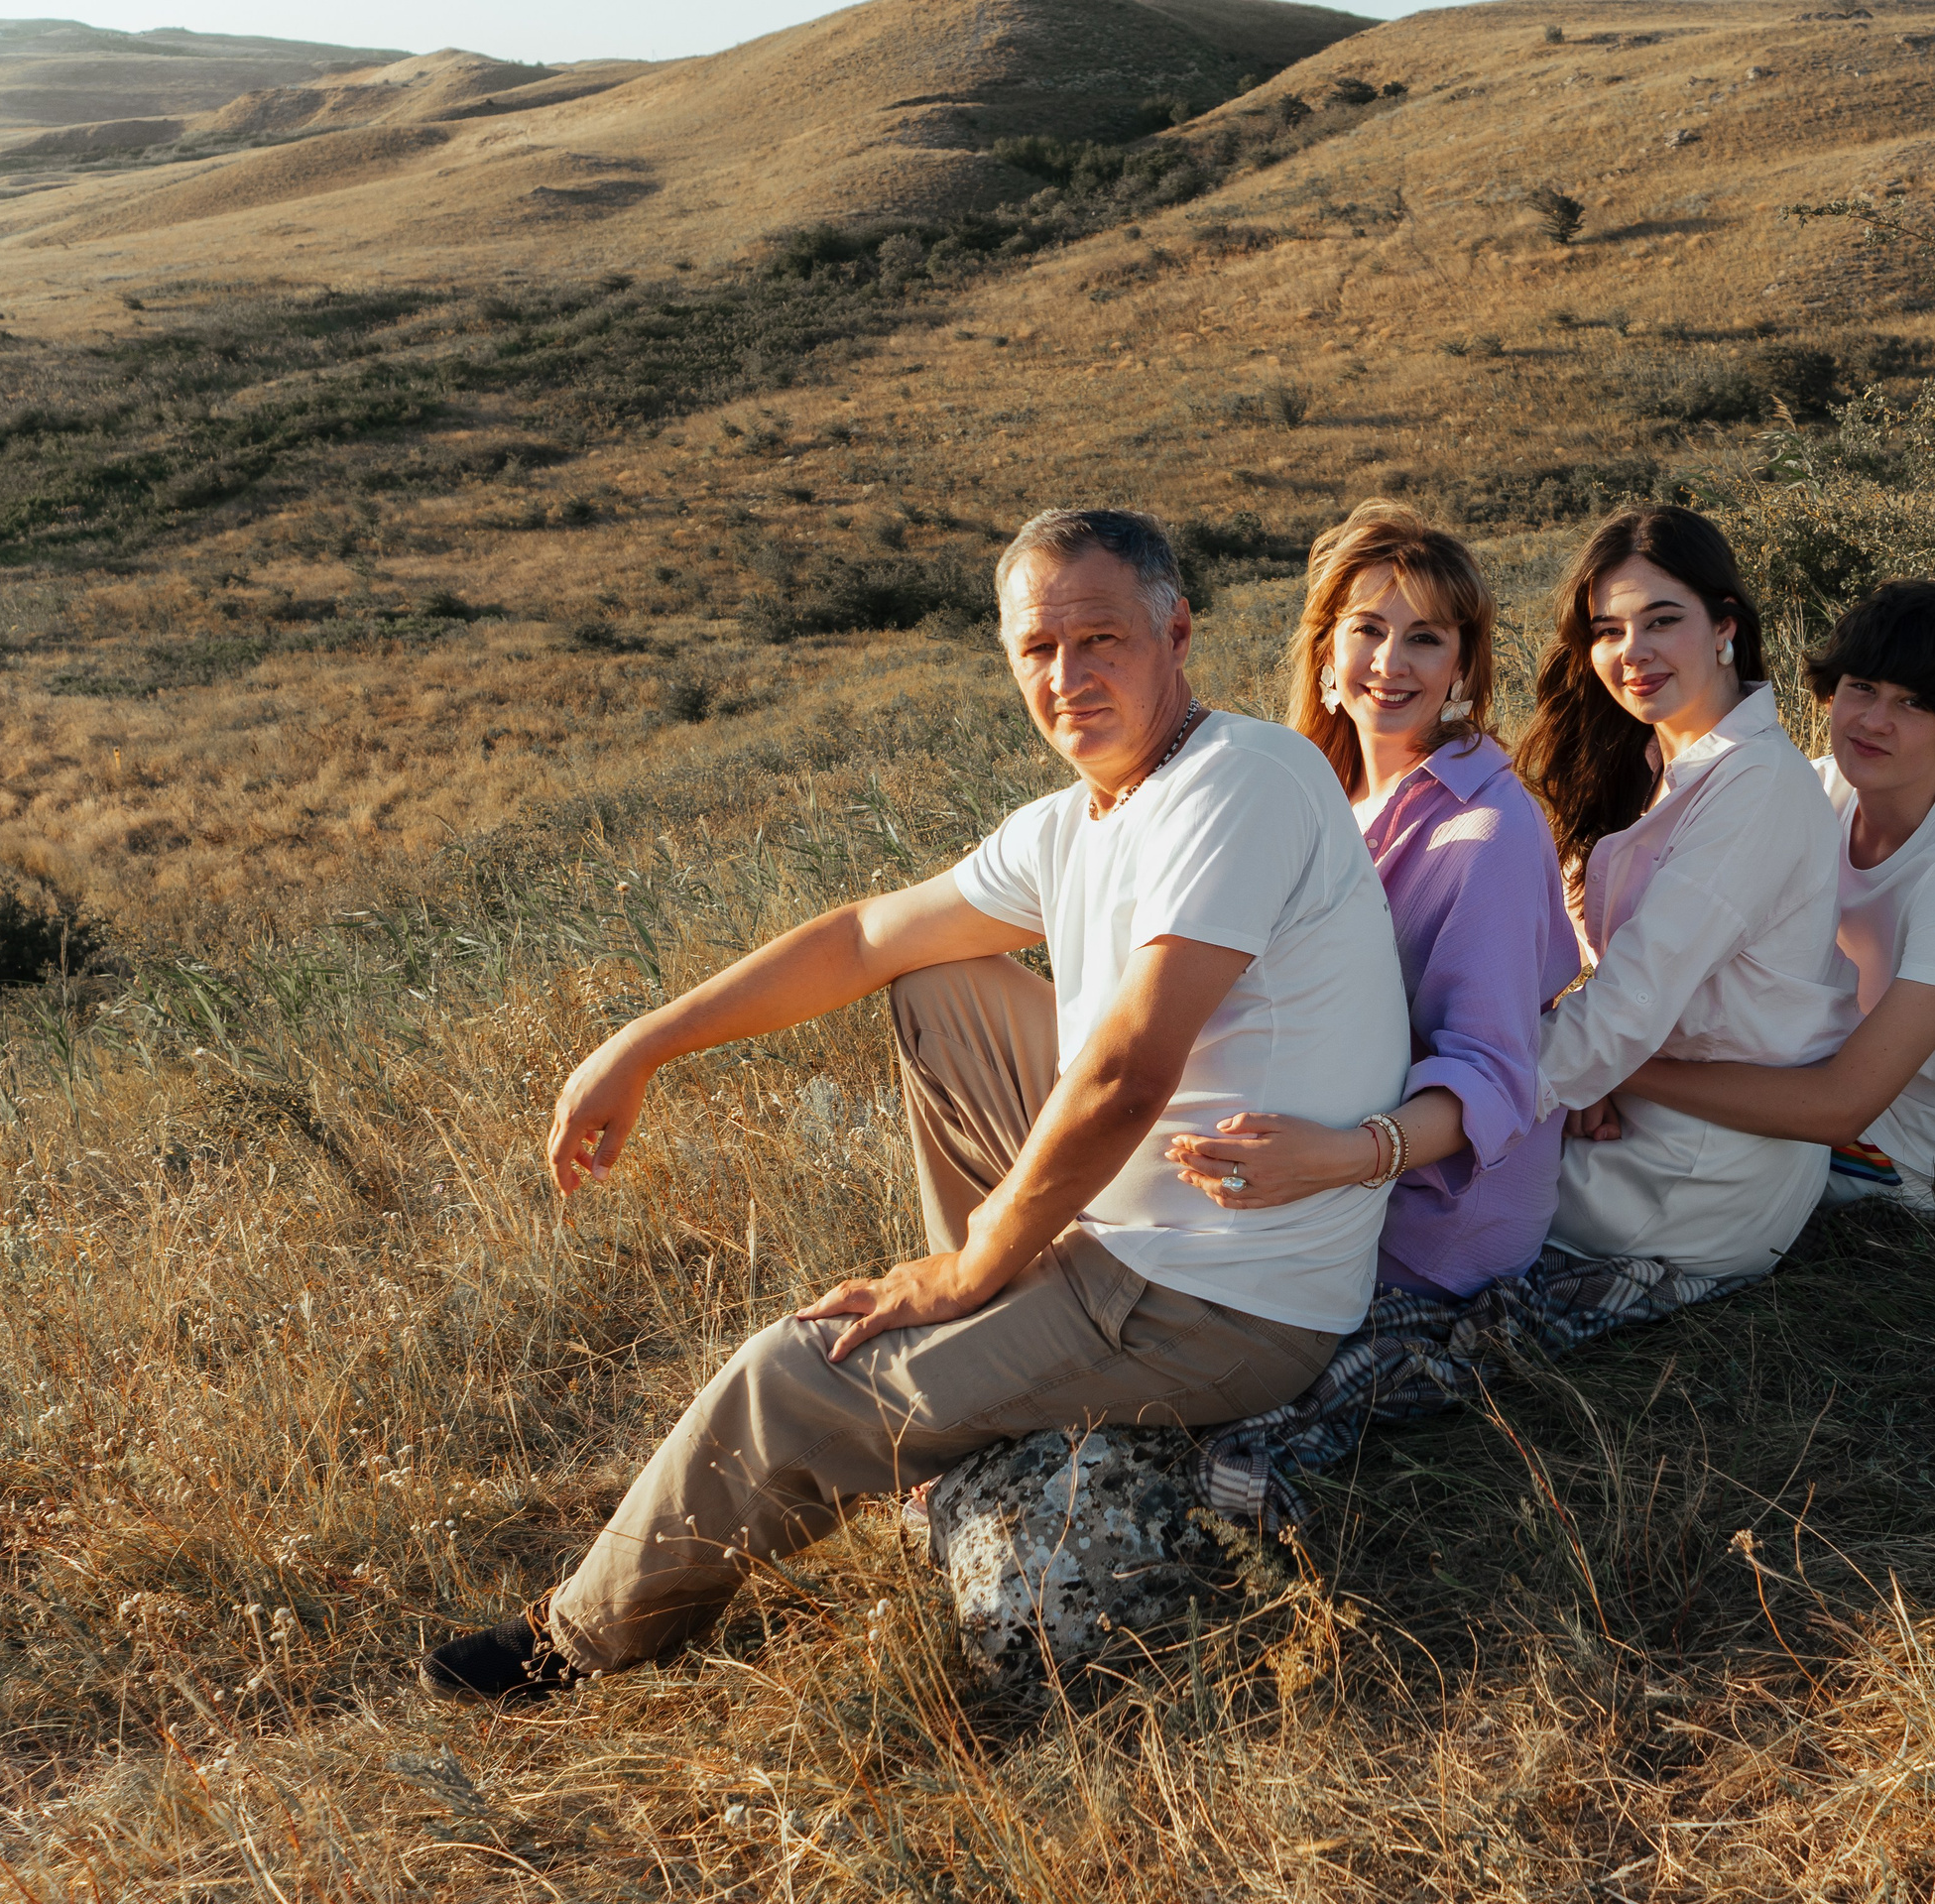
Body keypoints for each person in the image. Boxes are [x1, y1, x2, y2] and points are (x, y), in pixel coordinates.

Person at [420, 508, 1410, 1701]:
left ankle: (572, 1643)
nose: (1068, 677)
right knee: (937, 979)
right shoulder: (1079, 819)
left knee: (791, 1377)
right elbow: (859, 938)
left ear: (1176, 632)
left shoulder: (1235, 781)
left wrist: (973, 1267)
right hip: (1147, 1217)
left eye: (1100, 640)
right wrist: (647, 1042)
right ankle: (987, 1352)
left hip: (1218, 1292)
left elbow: (1126, 1073)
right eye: (1037, 651)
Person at [1164, 500, 1580, 1297]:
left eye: (1425, 637)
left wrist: (1336, 1158)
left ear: (1462, 666)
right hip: (1312, 1158)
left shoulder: (1490, 831)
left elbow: (1493, 1074)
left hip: (1425, 1218)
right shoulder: (1311, 793)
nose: (1392, 662)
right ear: (1325, 650)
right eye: (1368, 629)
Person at [1620, 578, 1935, 1211]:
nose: (1873, 721)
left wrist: (1617, 1071)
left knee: (1612, 1143)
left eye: (1913, 703)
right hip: (1817, 1065)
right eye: (1862, 687)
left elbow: (1840, 1106)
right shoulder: (1820, 790)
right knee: (1575, 1122)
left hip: (1918, 1152)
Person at [1524, 506, 1853, 1303]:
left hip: (1693, 1178)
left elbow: (1635, 995)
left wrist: (1475, 1092)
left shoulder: (1757, 785)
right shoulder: (1660, 763)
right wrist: (1589, 1070)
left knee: (1387, 1189)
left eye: (1661, 621)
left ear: (1723, 628)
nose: (1631, 653)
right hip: (1645, 1116)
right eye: (1607, 631)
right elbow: (1621, 1002)